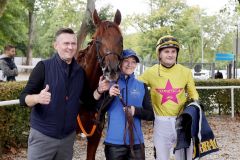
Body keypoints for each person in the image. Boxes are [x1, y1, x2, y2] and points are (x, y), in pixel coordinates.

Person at [19, 28, 94, 160]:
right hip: (43, 138)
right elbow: (23, 98)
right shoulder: (43, 67)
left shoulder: (80, 72)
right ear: (56, 45)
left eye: (73, 43)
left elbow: (88, 101)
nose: (70, 47)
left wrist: (100, 90)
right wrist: (37, 98)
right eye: (66, 43)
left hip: (67, 139)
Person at [138, 35, 199, 160]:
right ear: (159, 54)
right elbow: (134, 86)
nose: (170, 55)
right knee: (162, 157)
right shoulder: (150, 72)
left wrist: (195, 110)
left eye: (173, 51)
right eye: (166, 51)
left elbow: (194, 95)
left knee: (184, 157)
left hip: (183, 122)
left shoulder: (186, 72)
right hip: (161, 123)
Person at [94, 49, 154, 160]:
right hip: (114, 145)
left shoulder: (142, 86)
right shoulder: (108, 83)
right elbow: (98, 109)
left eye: (133, 62)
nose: (130, 64)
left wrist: (136, 111)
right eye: (126, 60)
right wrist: (109, 95)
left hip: (136, 144)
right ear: (119, 62)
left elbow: (151, 115)